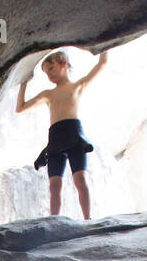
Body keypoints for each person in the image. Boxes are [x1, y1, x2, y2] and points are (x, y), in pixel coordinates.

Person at [16, 49, 108, 218]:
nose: (48, 75)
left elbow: (102, 64)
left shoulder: (77, 86)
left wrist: (104, 46)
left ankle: (88, 218)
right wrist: (23, 83)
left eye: (51, 68)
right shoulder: (48, 94)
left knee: (80, 179)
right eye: (45, 72)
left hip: (73, 134)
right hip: (56, 137)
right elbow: (20, 108)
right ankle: (54, 219)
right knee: (54, 184)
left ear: (63, 64)